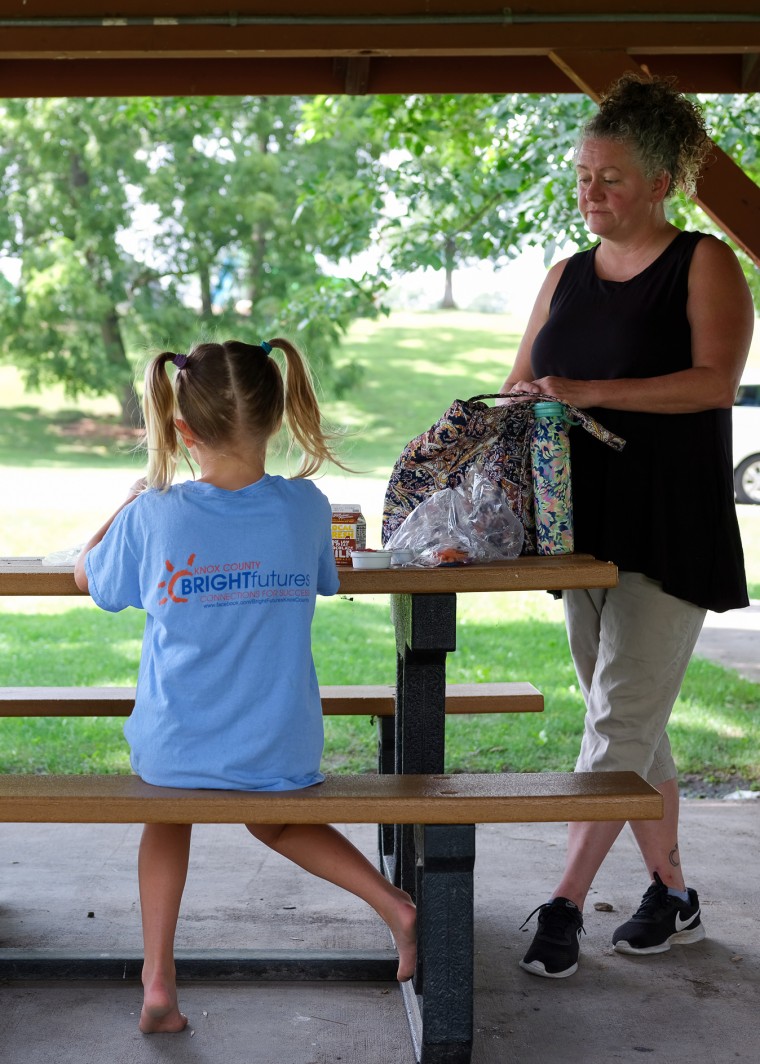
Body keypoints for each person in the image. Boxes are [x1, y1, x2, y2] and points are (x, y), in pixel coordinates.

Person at [74, 338, 416, 1032]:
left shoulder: (156, 514)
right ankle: (396, 907)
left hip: (177, 742)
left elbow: (89, 577)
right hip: (278, 741)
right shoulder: (305, 507)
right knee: (273, 814)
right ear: (278, 420)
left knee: (167, 815)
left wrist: (128, 500)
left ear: (181, 429)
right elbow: (327, 576)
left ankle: (159, 983)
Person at [499, 73, 755, 979]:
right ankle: (672, 893)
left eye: (609, 178)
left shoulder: (705, 261)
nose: (590, 193)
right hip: (584, 533)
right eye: (581, 176)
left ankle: (563, 905)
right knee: (636, 725)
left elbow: (713, 384)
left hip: (671, 527)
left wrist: (590, 391)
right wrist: (519, 406)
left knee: (616, 722)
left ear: (660, 182)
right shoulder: (564, 276)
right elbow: (523, 382)